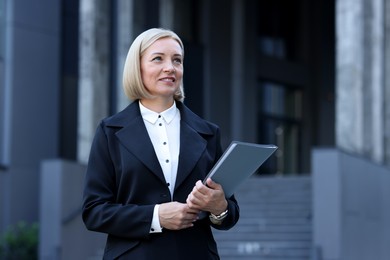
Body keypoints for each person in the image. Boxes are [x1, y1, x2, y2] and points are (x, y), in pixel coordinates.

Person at [82, 28, 240, 260]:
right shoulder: (110, 131)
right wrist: (155, 217)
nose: (170, 67)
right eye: (158, 59)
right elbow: (94, 212)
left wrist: (219, 207)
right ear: (138, 67)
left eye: (177, 60)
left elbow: (230, 213)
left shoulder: (208, 133)